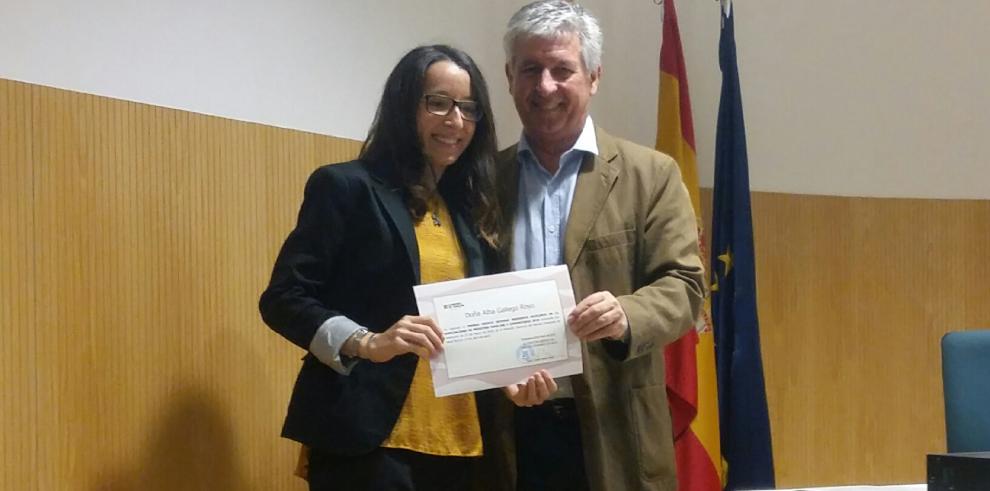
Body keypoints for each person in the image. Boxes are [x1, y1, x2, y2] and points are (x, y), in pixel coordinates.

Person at [258, 44, 555, 491]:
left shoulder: (470, 211)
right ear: (403, 105)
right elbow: (283, 299)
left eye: (469, 108)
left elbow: (475, 327)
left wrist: (509, 376)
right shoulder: (345, 187)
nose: (455, 121)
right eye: (438, 103)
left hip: (461, 445)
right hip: (370, 444)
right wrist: (367, 341)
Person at [489, 2, 706, 490]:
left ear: (593, 77)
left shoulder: (650, 175)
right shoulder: (484, 181)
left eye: (562, 69)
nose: (545, 86)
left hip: (615, 424)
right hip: (509, 426)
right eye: (530, 69)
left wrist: (628, 313)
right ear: (509, 77)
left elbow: (686, 285)